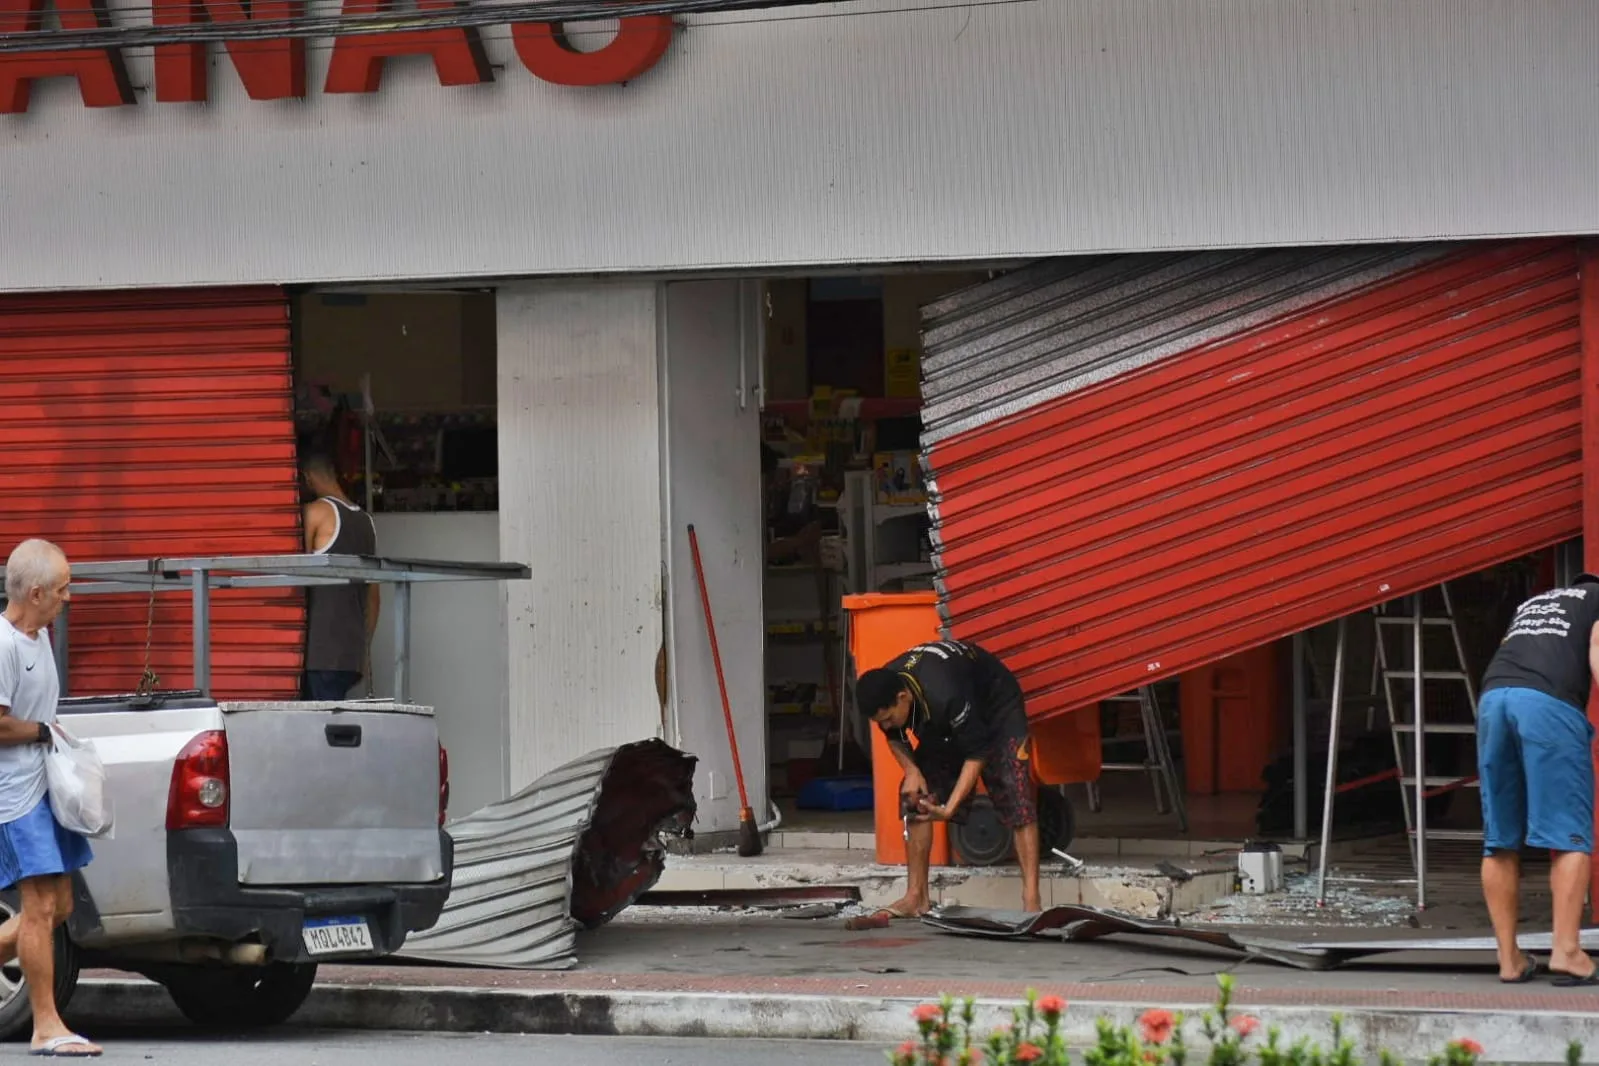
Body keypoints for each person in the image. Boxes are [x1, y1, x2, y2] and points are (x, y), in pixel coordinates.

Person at [855, 639, 1041, 916]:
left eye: (888, 718)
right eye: (878, 722)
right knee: (914, 798)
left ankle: (1031, 900)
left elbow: (976, 753)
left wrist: (950, 807)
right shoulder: (889, 686)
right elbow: (895, 736)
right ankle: (916, 896)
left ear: (903, 698)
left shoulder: (944, 692)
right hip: (951, 718)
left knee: (1017, 793)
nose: (885, 726)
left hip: (998, 709)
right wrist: (912, 770)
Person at [0, 539, 99, 1057]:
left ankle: (47, 1021)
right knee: (38, 907)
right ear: (35, 592)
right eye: (62, 589)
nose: (68, 597)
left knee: (58, 905)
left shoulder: (36, 637)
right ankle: (45, 1025)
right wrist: (42, 732)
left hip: (46, 787)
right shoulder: (3, 644)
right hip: (14, 796)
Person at [1478, 574, 1599, 986]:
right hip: (1547, 704)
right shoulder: (1598, 600)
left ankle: (1509, 958)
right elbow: (1598, 648)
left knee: (1500, 839)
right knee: (1569, 832)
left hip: (1495, 698)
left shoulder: (1536, 604)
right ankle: (1566, 952)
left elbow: (1506, 653)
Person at [301, 453, 379, 701]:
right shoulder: (367, 522)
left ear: (307, 478)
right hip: (350, 654)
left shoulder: (316, 512)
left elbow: (294, 577)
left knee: (318, 731)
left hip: (321, 651)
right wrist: (363, 649)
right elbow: (374, 596)